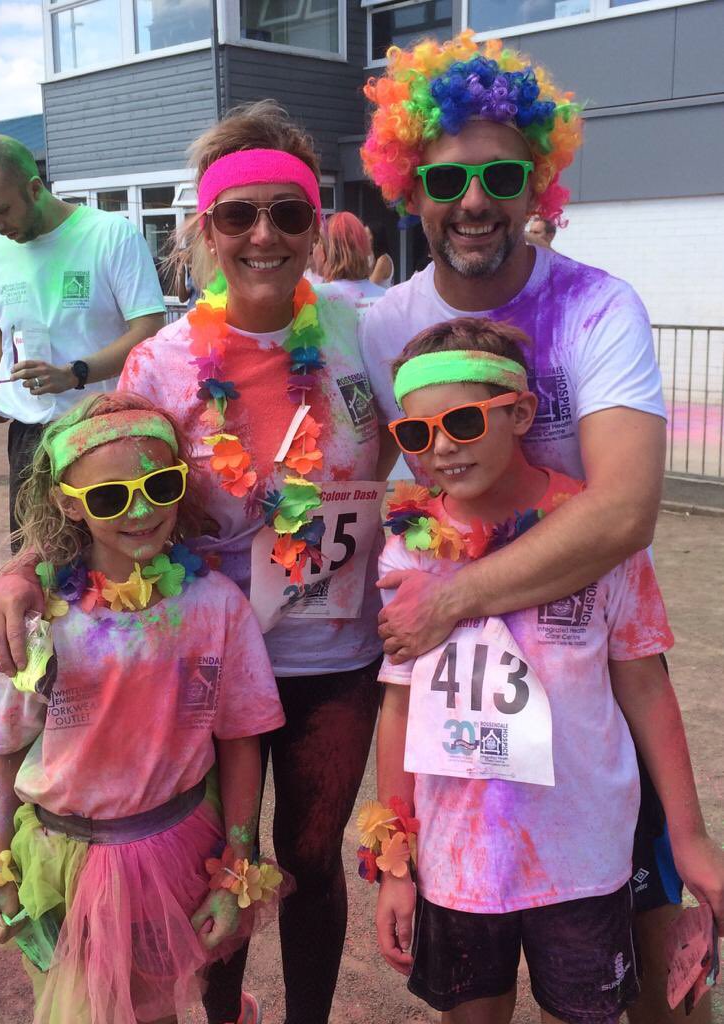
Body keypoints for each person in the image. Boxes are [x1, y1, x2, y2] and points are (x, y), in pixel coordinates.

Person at [0, 100, 386, 1024]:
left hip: (334, 658)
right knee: (207, 868)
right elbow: (101, 481)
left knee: (311, 865)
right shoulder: (161, 361)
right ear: (206, 230)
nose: (265, 235)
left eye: (289, 213)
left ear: (316, 223)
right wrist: (19, 572)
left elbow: (447, 447)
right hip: (189, 655)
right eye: (239, 216)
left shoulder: (372, 332)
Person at [359, 33, 693, 1021]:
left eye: (500, 174)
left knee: (662, 973)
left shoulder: (597, 307)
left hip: (588, 654)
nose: (472, 200)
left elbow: (624, 508)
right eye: (446, 178)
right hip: (464, 741)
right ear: (408, 187)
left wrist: (447, 597)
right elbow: (352, 467)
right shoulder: (385, 326)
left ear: (536, 183)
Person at [369, 319, 724, 1023]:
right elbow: (400, 708)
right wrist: (394, 858)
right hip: (459, 864)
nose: (440, 448)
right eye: (417, 434)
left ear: (522, 413)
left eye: (464, 421)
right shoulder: (408, 549)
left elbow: (647, 687)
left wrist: (688, 837)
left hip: (583, 857)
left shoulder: (596, 539)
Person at [0, 391, 287, 1024]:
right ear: (67, 505)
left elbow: (242, 740)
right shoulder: (38, 619)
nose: (140, 512)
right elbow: (9, 749)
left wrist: (236, 866)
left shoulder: (215, 606)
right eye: (109, 498)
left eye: (159, 487)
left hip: (173, 852)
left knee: (155, 1007)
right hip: (60, 862)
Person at [0, 134, 166, 544]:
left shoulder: (110, 235)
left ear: (35, 189)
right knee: (34, 558)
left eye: (1, 210)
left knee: (109, 559)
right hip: (29, 436)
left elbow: (149, 330)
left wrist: (76, 373)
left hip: (102, 428)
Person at [316, 211, 386, 315]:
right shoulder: (387, 298)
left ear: (323, 250)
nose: (313, 250)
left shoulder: (316, 299)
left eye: (315, 243)